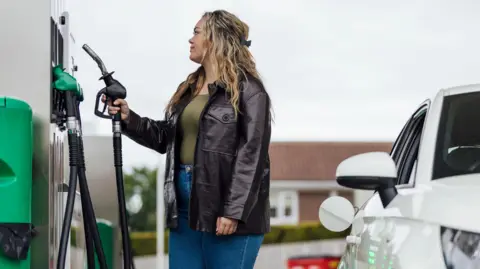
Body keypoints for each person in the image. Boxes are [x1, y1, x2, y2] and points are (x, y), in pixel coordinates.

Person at [104, 9, 272, 269]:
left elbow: (252, 154)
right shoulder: (190, 89)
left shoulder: (249, 90)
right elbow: (166, 138)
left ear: (215, 38)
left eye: (196, 32)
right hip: (184, 210)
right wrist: (129, 118)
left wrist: (233, 210)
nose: (190, 39)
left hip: (225, 210)